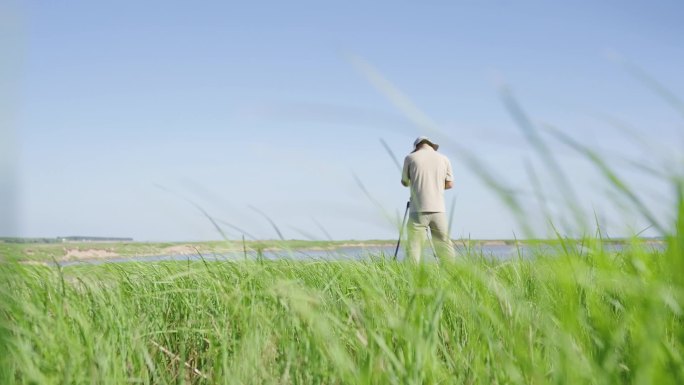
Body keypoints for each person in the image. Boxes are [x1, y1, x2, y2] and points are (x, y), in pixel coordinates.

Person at [401, 136, 455, 262]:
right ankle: (451, 275)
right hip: (439, 209)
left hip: (417, 210)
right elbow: (450, 184)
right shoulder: (444, 158)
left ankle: (413, 277)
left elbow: (404, 182)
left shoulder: (410, 158)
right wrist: (435, 186)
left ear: (416, 147)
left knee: (414, 245)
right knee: (444, 244)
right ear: (432, 145)